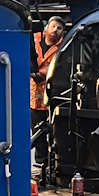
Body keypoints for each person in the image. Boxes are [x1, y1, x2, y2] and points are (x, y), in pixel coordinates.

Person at [31, 16, 65, 168]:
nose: (55, 30)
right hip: (32, 93)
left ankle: (54, 162)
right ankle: (40, 162)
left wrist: (38, 73)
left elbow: (54, 67)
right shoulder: (34, 40)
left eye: (59, 28)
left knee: (54, 131)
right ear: (47, 28)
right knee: (37, 129)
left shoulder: (63, 47)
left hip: (52, 93)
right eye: (54, 26)